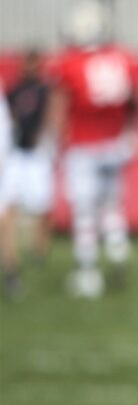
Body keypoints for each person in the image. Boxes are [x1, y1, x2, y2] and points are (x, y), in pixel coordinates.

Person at [52, 0, 138, 298]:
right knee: (112, 206)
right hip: (114, 142)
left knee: (85, 212)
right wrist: (131, 131)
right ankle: (116, 244)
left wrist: (54, 142)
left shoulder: (71, 63)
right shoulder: (121, 58)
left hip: (83, 145)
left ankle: (88, 273)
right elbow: (135, 98)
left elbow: (60, 104)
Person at [0, 50, 56, 298]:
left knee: (41, 208)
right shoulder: (12, 91)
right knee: (6, 213)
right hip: (14, 157)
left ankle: (37, 251)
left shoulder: (45, 91)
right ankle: (11, 268)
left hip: (35, 155)